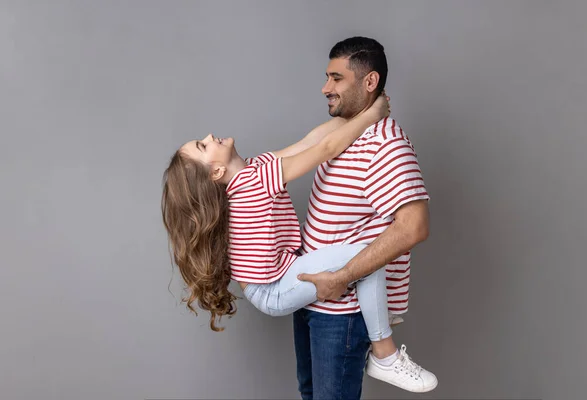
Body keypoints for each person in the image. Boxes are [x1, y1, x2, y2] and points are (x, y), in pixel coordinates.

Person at [161, 94, 412, 390]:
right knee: (367, 256)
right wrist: (372, 115)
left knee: (364, 260)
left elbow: (309, 141)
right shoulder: (256, 181)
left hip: (271, 282)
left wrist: (352, 114)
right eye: (203, 146)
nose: (208, 136)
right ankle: (384, 351)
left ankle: (380, 315)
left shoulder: (254, 170)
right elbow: (325, 148)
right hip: (273, 290)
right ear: (216, 172)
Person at [292, 36, 438, 399]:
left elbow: (413, 226)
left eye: (336, 78)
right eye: (327, 77)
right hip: (311, 298)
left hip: (342, 310)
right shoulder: (345, 134)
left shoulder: (387, 143)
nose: (326, 88)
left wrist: (341, 278)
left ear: (369, 82)